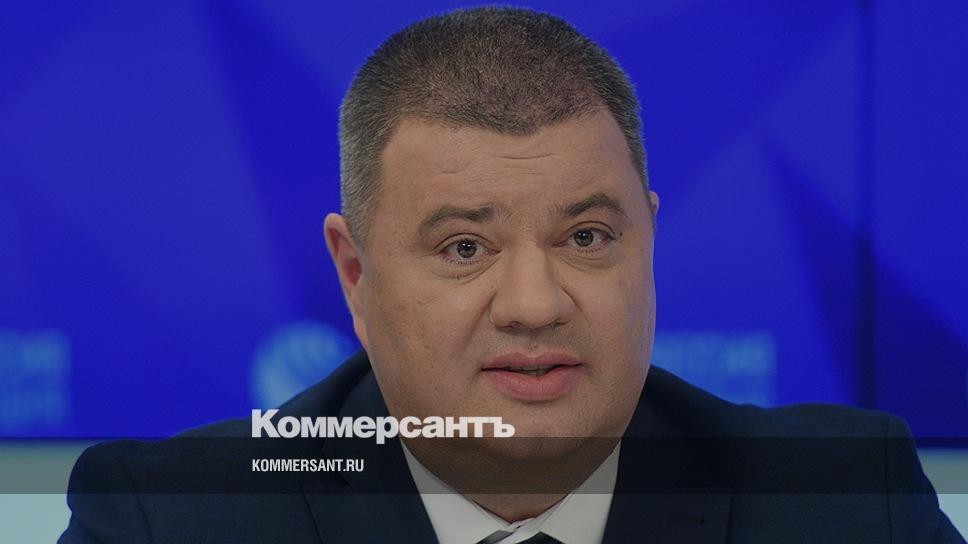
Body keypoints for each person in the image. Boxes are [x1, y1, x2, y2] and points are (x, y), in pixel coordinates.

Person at [60, 6, 963, 543]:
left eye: (586, 237)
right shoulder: (167, 521)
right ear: (356, 274)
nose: (535, 305)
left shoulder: (850, 503)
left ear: (648, 240)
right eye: (465, 248)